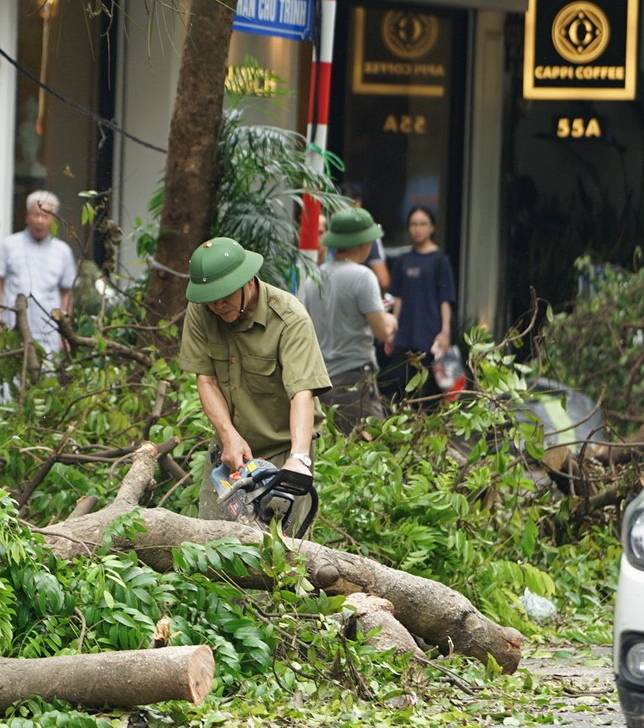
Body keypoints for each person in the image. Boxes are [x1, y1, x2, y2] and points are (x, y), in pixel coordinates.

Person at [177, 237, 329, 521]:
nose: (217, 306)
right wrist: (228, 436)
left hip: (282, 449)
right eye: (211, 299)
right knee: (211, 545)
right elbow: (206, 379)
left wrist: (298, 458)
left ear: (248, 281)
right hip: (229, 448)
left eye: (225, 297)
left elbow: (302, 393)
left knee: (279, 553)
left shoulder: (289, 318)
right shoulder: (202, 310)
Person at [301, 207, 395, 433]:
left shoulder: (314, 279)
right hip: (354, 379)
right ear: (364, 244)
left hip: (322, 381)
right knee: (371, 447)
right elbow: (382, 332)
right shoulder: (363, 277)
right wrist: (390, 320)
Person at [381, 204, 457, 403]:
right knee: (399, 390)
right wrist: (392, 329)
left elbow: (445, 299)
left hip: (430, 338)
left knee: (430, 394)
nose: (418, 228)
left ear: (432, 227)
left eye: (423, 224)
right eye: (413, 224)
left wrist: (445, 332)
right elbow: (398, 297)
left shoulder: (440, 260)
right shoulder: (403, 261)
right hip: (405, 337)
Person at [0, 190, 78, 353]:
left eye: (46, 216)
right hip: (12, 330)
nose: (40, 221)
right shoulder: (9, 245)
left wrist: (65, 333)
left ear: (53, 219)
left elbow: (67, 293)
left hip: (49, 333)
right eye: (36, 215)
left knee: (47, 376)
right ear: (27, 216)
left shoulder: (62, 251)